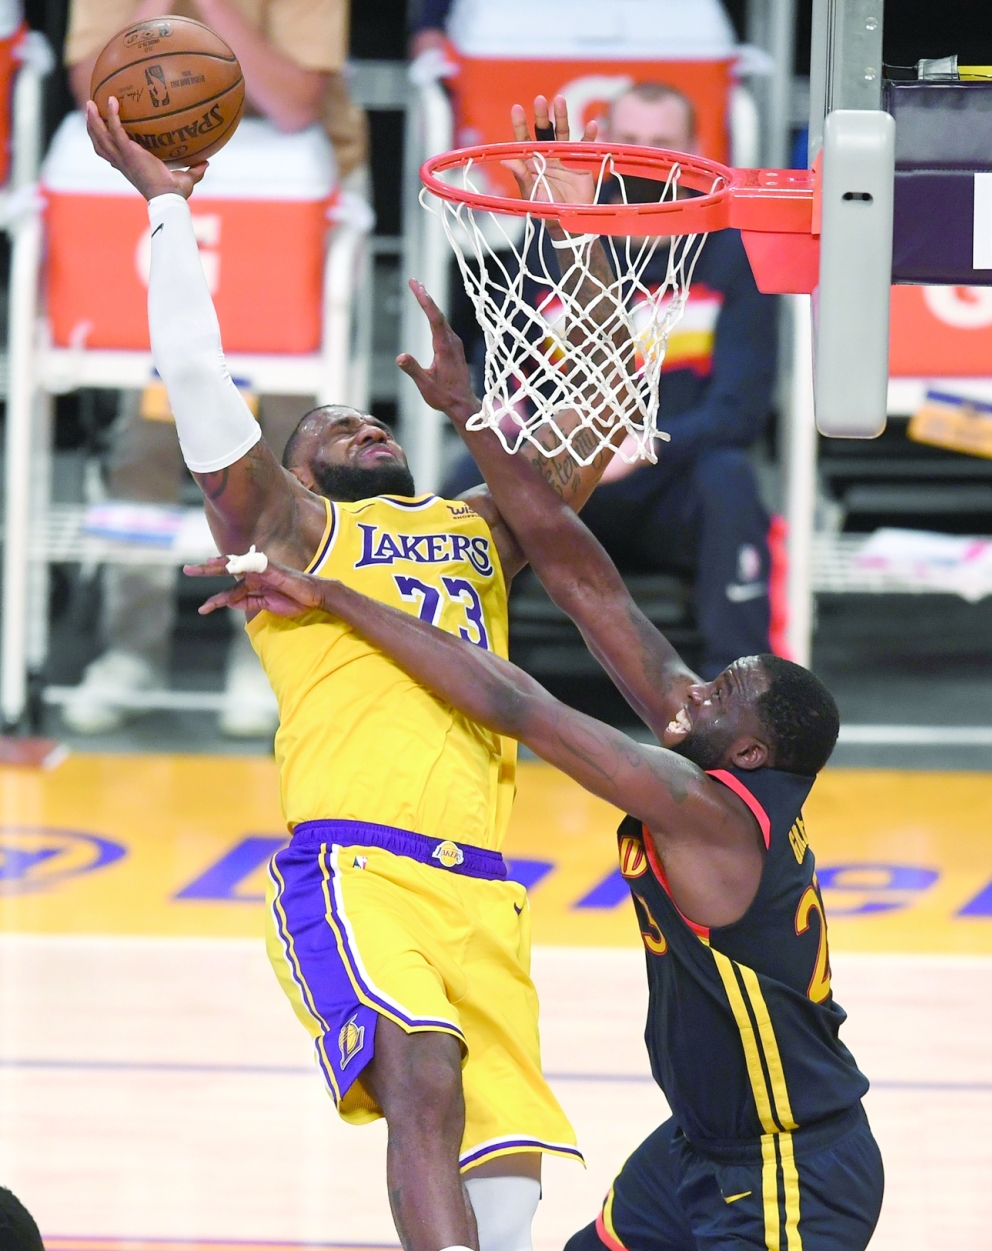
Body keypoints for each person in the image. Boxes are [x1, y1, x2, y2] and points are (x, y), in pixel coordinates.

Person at [196, 283, 884, 1251]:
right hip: (697, 1148)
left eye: (720, 688)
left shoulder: (704, 809)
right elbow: (577, 572)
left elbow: (519, 705)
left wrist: (339, 600)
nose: (692, 690)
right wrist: (474, 408)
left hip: (786, 1167)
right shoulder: (712, 747)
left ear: (751, 753)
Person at [85, 93, 626, 1251]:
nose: (364, 427)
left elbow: (579, 434)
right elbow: (196, 385)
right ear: (294, 474)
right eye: (330, 428)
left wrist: (581, 247)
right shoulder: (291, 535)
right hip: (355, 864)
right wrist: (169, 217)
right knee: (422, 1075)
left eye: (373, 420)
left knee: (508, 1138)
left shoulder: (478, 527)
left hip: (482, 875)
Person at [62, 0, 368, 736]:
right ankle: (130, 650)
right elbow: (92, 98)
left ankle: (270, 653)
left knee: (289, 440)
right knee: (149, 432)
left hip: (295, 208)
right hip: (150, 184)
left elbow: (293, 104)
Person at [445, 80, 779, 678]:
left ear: (693, 149)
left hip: (667, 488)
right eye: (631, 141)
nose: (645, 156)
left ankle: (744, 687)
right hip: (559, 481)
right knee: (471, 476)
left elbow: (741, 410)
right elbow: (505, 372)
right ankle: (457, 670)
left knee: (729, 479)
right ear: (605, 145)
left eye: (662, 143)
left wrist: (643, 444)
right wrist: (516, 424)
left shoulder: (732, 255)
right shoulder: (544, 246)